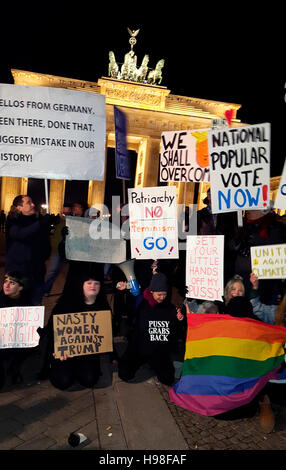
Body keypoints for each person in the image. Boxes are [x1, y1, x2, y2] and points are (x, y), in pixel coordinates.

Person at [37, 268, 112, 390]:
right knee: (63, 381)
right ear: (81, 285)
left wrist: (105, 348)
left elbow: (106, 332)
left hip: (88, 354)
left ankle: (80, 370)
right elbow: (51, 330)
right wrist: (56, 350)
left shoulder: (103, 307)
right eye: (88, 283)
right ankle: (60, 369)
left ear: (100, 287)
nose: (93, 286)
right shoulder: (65, 304)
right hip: (65, 355)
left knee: (90, 380)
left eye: (96, 283)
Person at [118, 272, 186, 386]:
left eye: (164, 294)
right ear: (151, 291)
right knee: (125, 374)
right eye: (159, 294)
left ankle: (152, 363)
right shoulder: (141, 300)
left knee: (168, 378)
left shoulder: (168, 306)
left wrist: (179, 319)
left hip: (158, 349)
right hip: (139, 347)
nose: (162, 297)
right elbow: (129, 299)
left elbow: (173, 330)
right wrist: (124, 288)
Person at [5, 195, 51, 305]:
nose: (33, 205)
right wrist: (40, 224)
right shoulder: (13, 220)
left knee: (35, 305)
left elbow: (45, 242)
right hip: (18, 272)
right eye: (28, 202)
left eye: (32, 202)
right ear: (19, 207)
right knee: (17, 305)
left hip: (37, 271)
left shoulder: (39, 220)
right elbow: (19, 234)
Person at [0, 271, 33, 387]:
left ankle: (14, 368)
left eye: (12, 283)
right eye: (5, 281)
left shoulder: (27, 304)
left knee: (26, 346)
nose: (6, 285)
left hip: (16, 343)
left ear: (20, 288)